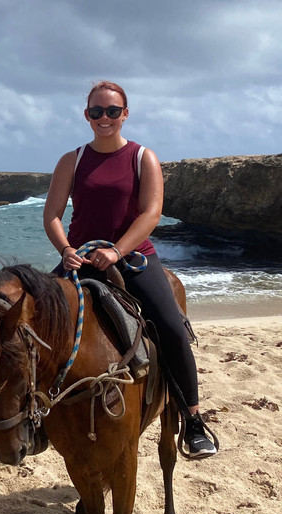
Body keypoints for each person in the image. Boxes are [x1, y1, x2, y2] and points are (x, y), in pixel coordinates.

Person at [43, 81, 217, 459]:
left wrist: (117, 250)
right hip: (81, 259)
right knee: (36, 322)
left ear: (125, 114)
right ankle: (36, 419)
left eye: (111, 111)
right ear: (86, 115)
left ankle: (193, 420)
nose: (103, 118)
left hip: (134, 257)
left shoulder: (142, 158)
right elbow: (52, 215)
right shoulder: (71, 160)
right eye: (96, 112)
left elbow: (151, 213)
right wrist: (67, 249)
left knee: (171, 326)